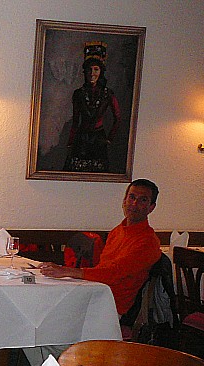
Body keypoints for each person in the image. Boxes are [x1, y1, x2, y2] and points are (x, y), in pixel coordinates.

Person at [39, 178, 161, 317]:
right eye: (131, 197)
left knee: (47, 309)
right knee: (43, 298)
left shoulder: (148, 242)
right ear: (124, 200)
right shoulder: (118, 231)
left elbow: (113, 273)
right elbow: (102, 269)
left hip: (111, 305)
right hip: (95, 292)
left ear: (151, 207)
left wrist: (67, 271)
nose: (134, 204)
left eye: (143, 200)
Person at [63, 41, 121, 173]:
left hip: (99, 139)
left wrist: (109, 139)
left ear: (101, 72)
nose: (92, 73)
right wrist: (71, 141)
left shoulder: (108, 93)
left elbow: (117, 117)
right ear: (84, 72)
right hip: (81, 139)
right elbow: (76, 120)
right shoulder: (78, 94)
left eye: (96, 69)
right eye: (89, 69)